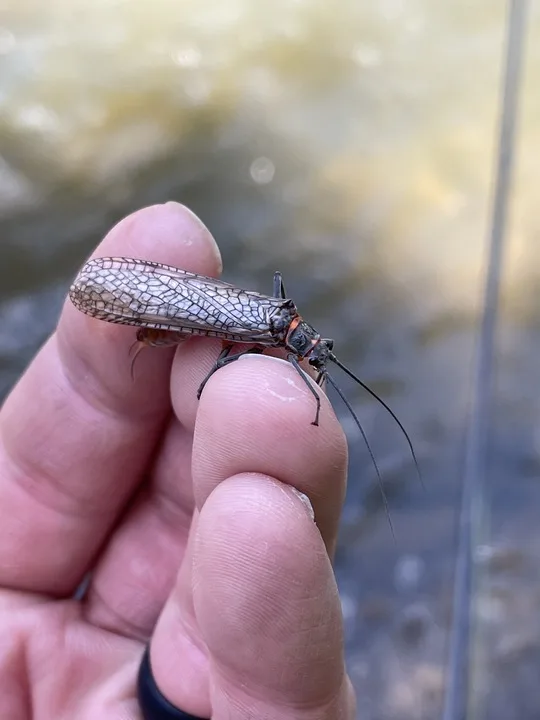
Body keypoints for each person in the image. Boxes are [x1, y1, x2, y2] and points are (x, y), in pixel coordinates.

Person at [0, 202, 356, 719]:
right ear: (299, 342)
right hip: (202, 315)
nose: (312, 357)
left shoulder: (285, 331)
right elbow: (248, 349)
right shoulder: (277, 335)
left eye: (313, 353)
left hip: (217, 314)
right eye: (311, 352)